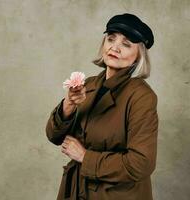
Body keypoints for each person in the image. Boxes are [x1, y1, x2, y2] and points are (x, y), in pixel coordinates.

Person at [45, 13, 158, 200]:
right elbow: (54, 136)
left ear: (139, 56)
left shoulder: (141, 96)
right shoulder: (88, 85)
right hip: (76, 191)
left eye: (126, 44)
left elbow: (141, 164)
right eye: (111, 39)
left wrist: (85, 157)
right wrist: (68, 105)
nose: (115, 47)